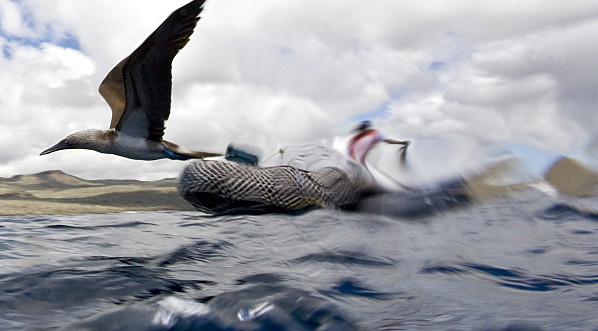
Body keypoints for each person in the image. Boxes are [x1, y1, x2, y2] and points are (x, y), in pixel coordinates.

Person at [177, 122, 480, 217]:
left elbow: (329, 179)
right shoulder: (278, 158)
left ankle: (467, 190)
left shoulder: (298, 153)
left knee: (195, 176)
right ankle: (466, 191)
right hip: (341, 189)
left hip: (329, 180)